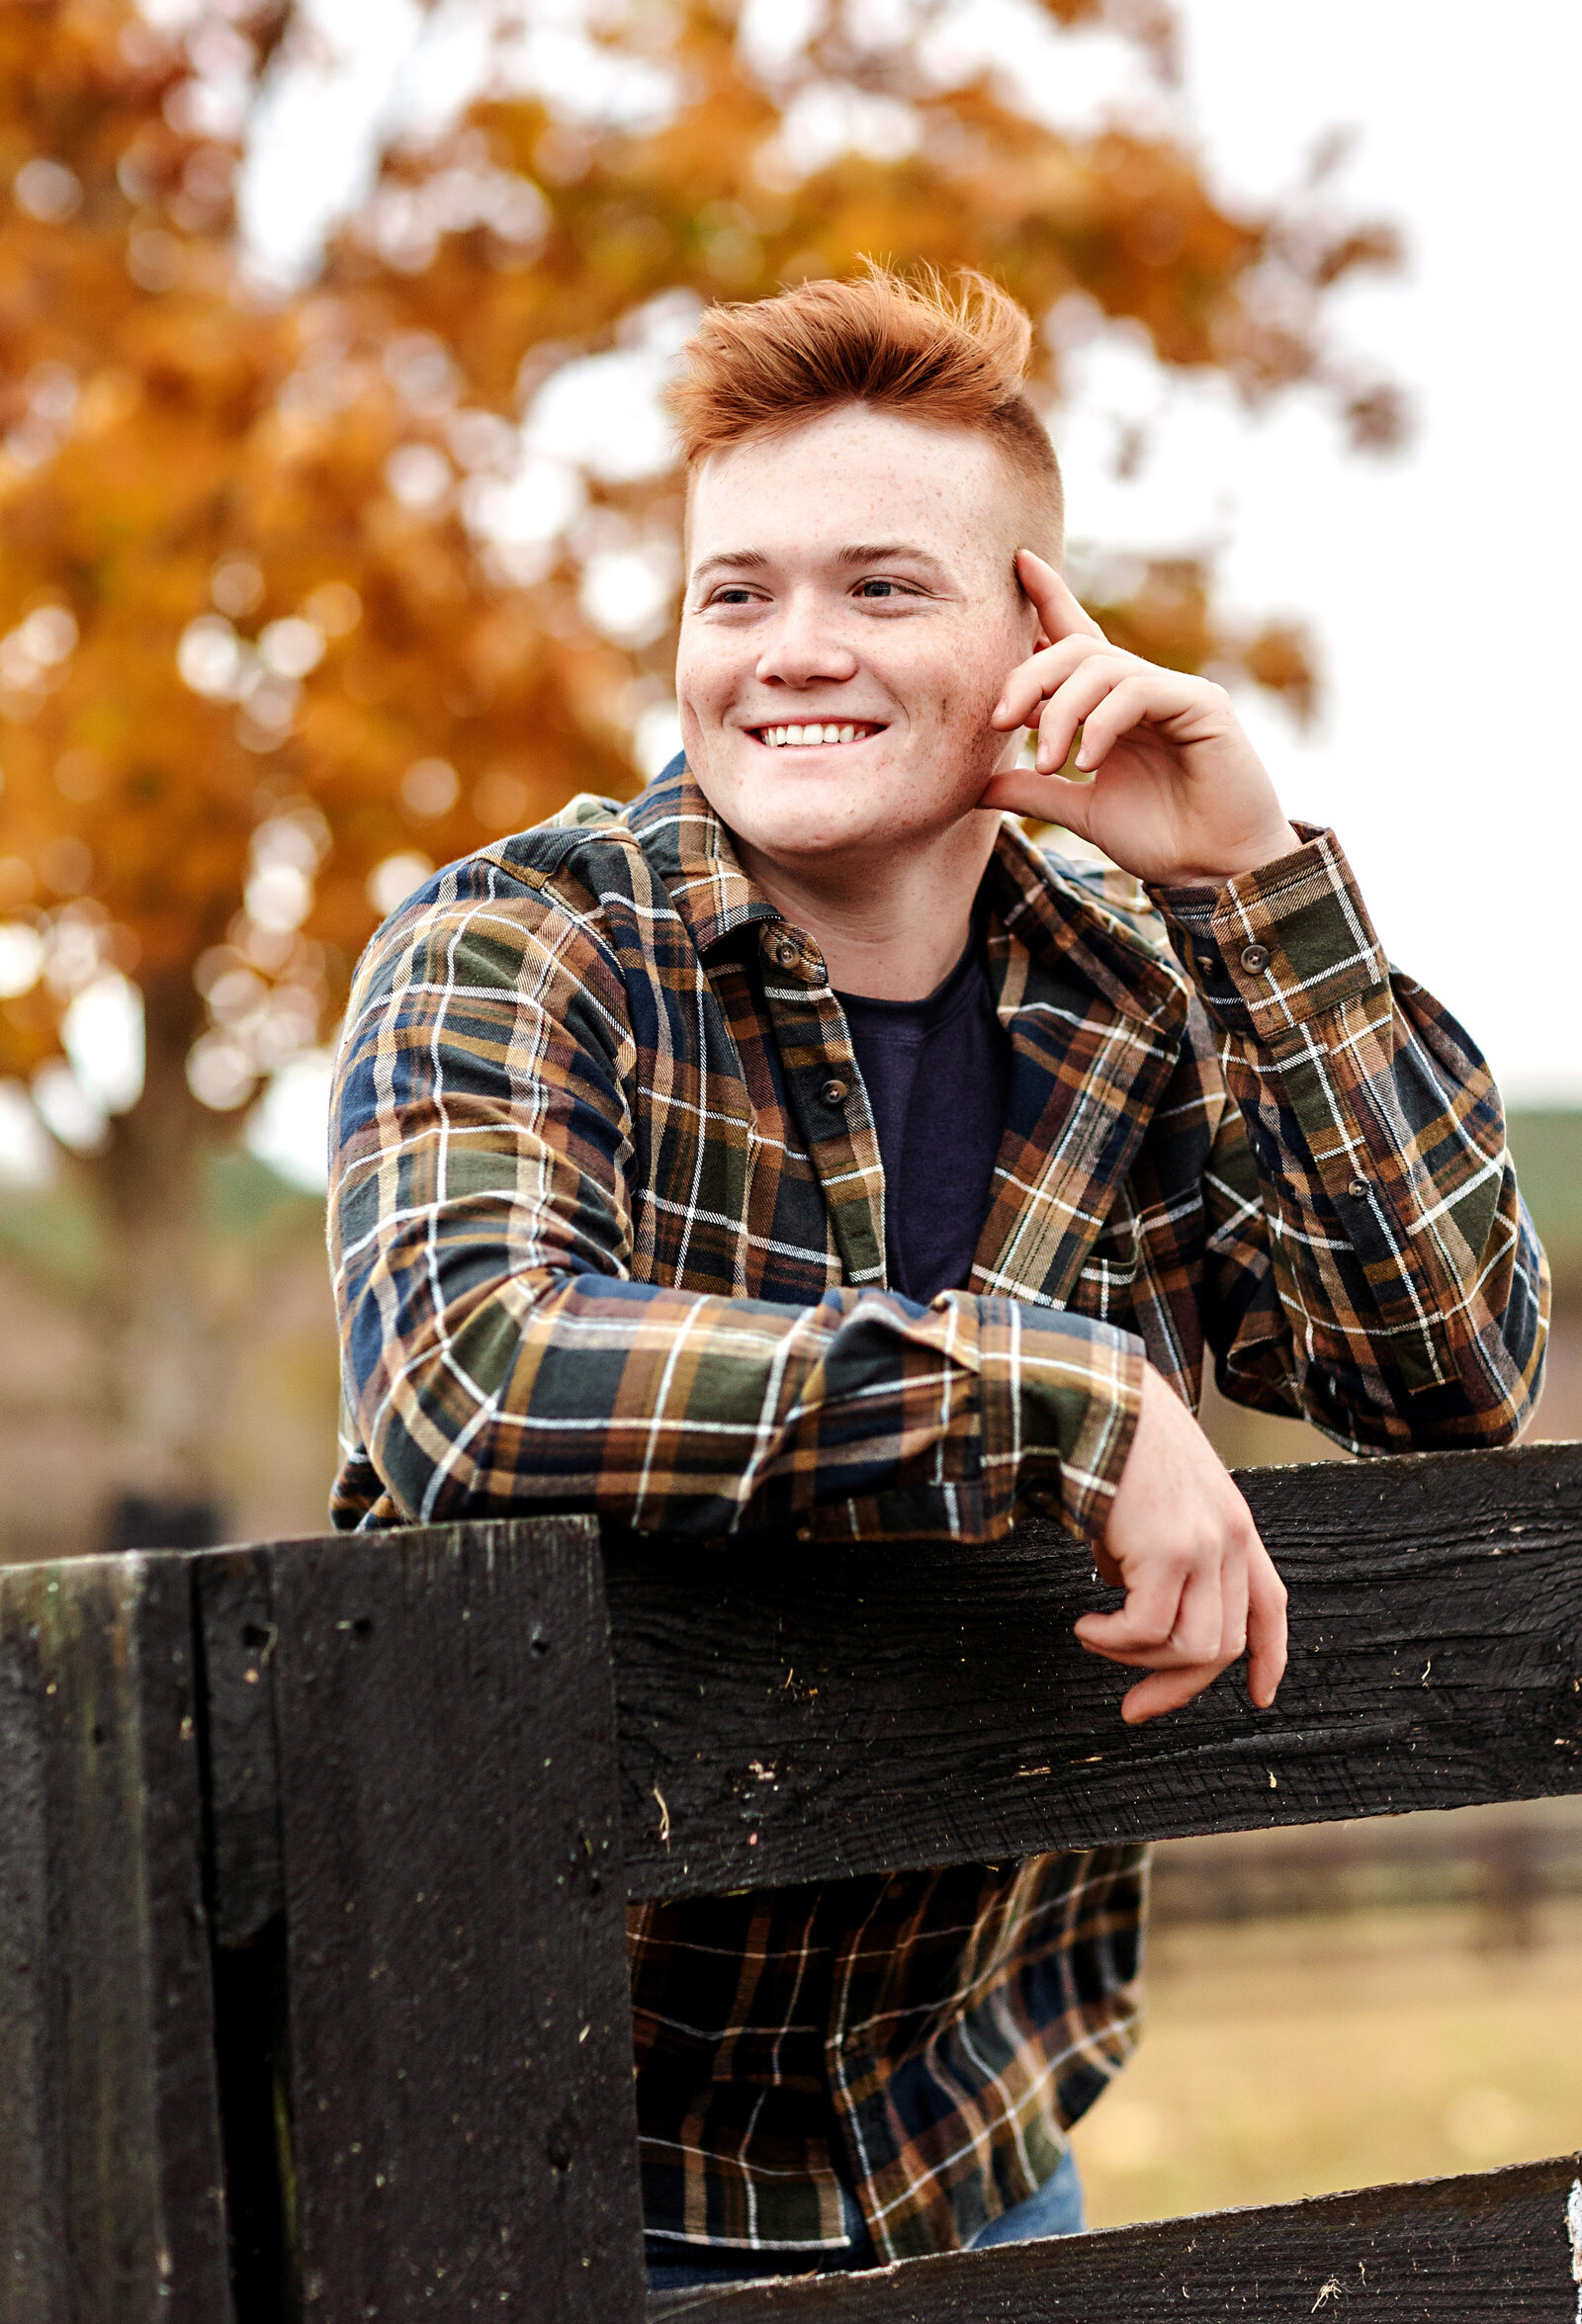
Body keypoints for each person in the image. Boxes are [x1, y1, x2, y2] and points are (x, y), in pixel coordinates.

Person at [326, 268, 1548, 2288]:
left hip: (973, 2155)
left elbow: (1439, 1373)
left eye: (879, 589)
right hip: (519, 2158)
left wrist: (1245, 885)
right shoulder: (520, 949)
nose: (788, 652)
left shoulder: (1124, 1002)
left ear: (1033, 638)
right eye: (735, 594)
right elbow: (473, 1377)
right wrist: (1059, 1394)